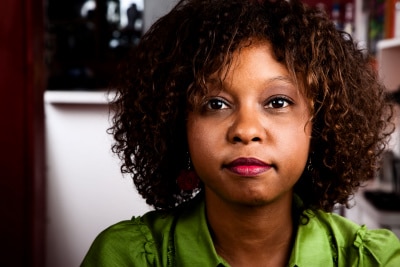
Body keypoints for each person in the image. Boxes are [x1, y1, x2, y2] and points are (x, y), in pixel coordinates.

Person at [81, 0, 400, 266]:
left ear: (321, 122)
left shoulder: (374, 259)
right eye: (216, 104)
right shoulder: (124, 258)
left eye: (278, 102)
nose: (246, 131)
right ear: (179, 124)